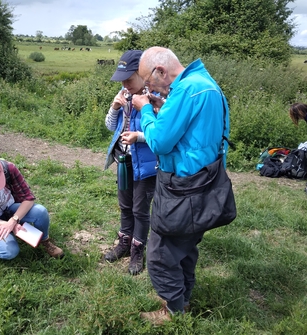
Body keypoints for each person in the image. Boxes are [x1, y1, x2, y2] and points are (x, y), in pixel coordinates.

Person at [131, 47, 230, 324]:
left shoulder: (186, 90)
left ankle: (173, 311)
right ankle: (182, 297)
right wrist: (164, 108)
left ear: (161, 71)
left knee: (161, 251)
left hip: (183, 187)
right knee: (185, 246)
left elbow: (160, 141)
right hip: (205, 182)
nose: (151, 88)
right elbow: (198, 131)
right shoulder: (206, 85)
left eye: (149, 82)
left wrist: (147, 110)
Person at [103, 50, 157, 275]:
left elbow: (162, 134)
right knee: (125, 206)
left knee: (140, 210)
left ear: (142, 74)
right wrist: (114, 108)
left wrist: (138, 137)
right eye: (122, 79)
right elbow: (109, 126)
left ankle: (137, 252)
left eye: (129, 78)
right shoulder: (124, 93)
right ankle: (124, 244)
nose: (125, 83)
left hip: (145, 166)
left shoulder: (155, 96)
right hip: (124, 161)